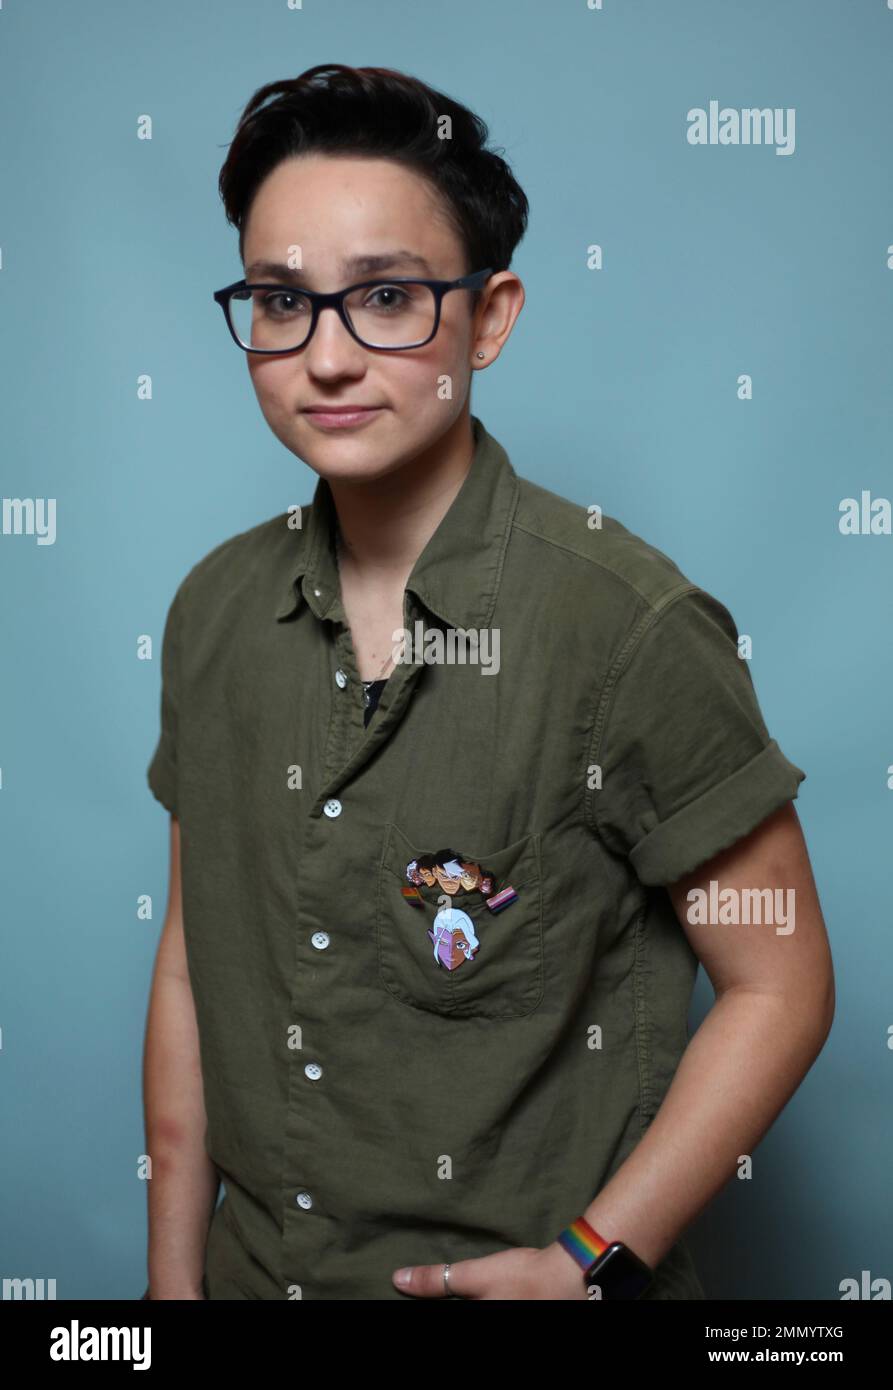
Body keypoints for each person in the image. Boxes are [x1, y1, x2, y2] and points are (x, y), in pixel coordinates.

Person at [142, 63, 833, 1301]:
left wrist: (587, 1265)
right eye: (280, 301)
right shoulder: (210, 614)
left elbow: (779, 983)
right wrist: (170, 1285)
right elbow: (198, 967)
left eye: (389, 298)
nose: (328, 357)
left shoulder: (626, 626)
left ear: (490, 316)